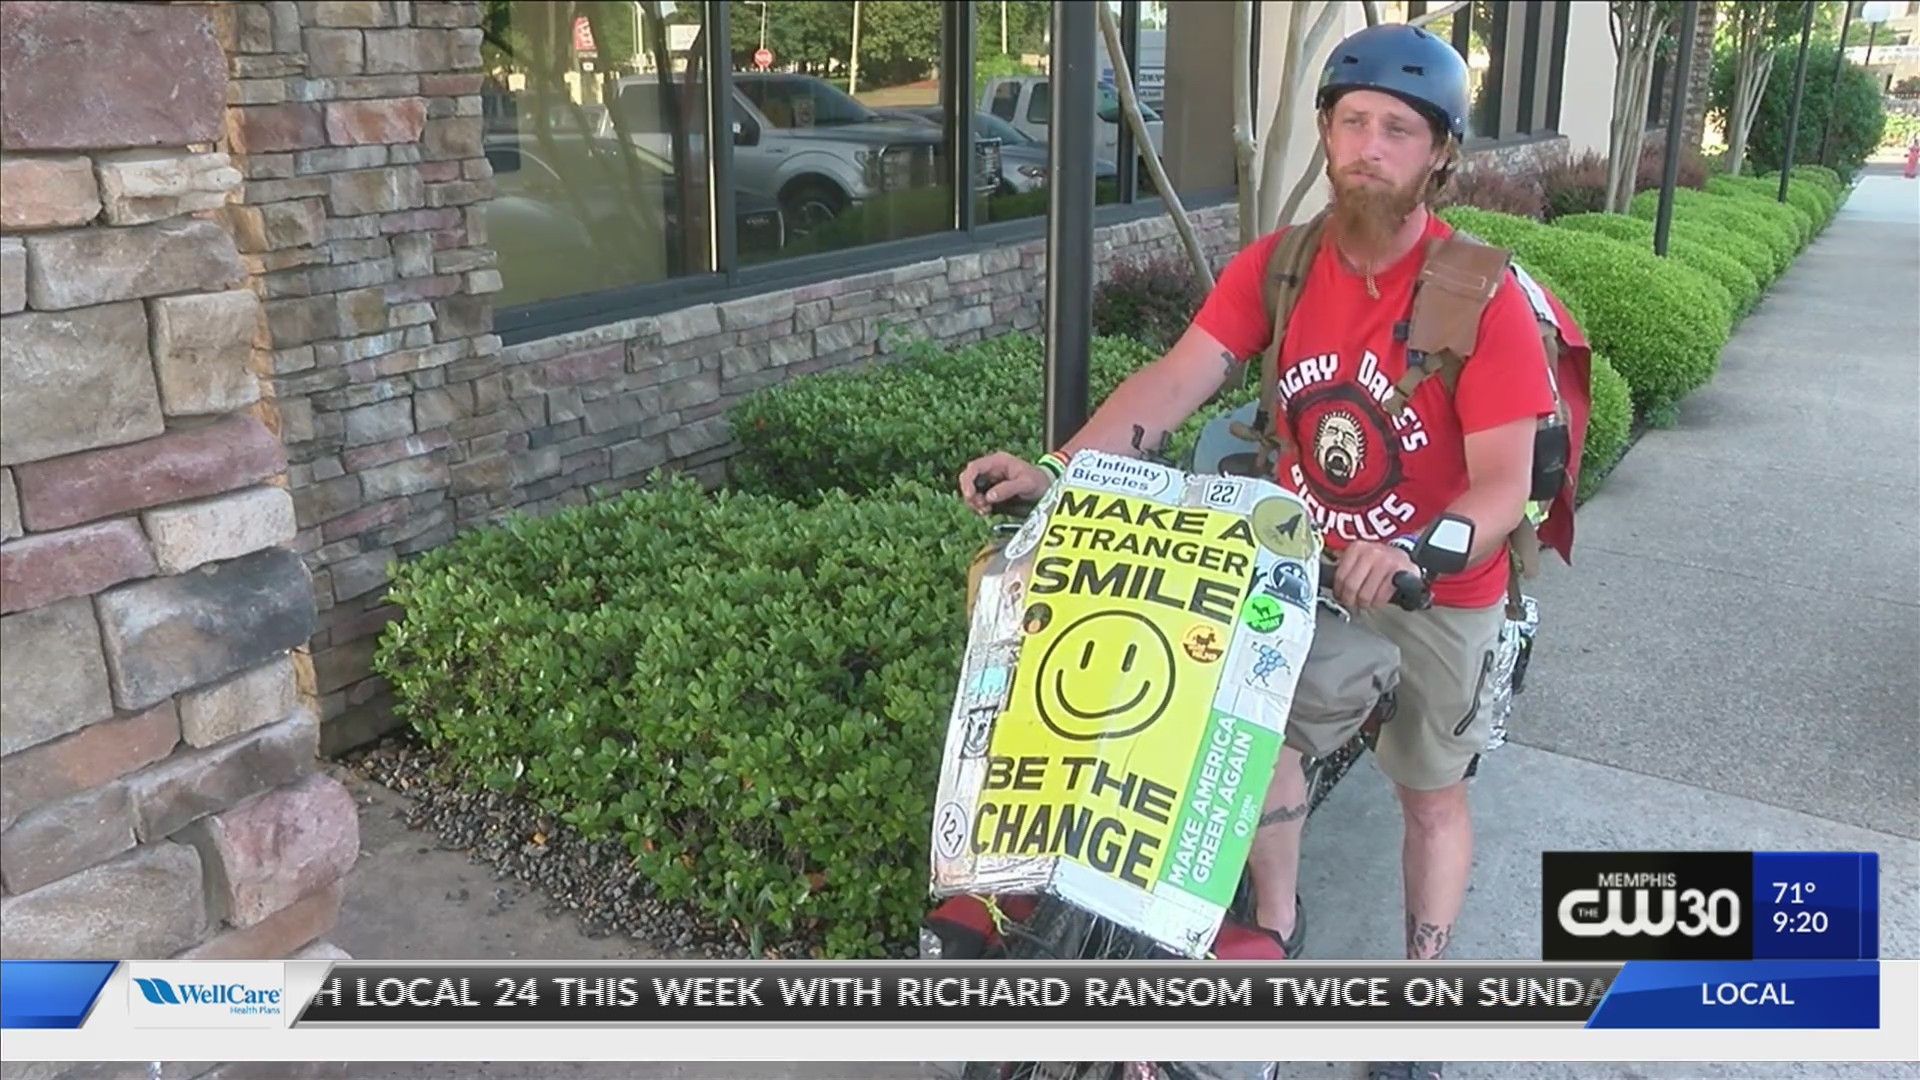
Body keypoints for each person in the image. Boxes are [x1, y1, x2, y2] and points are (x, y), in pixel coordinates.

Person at [958, 24, 1556, 1080]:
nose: (1371, 146)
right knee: (1248, 724)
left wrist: (1422, 544)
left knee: (1430, 792)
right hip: (1301, 565)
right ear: (1325, 134)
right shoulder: (1280, 267)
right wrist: (1064, 469)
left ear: (1439, 154)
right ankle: (1276, 923)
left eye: (1399, 129)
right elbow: (1177, 381)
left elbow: (1508, 480)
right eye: (1354, 121)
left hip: (1441, 582)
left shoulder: (1482, 295)